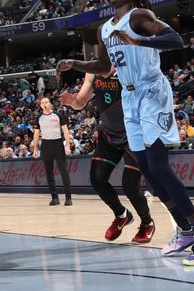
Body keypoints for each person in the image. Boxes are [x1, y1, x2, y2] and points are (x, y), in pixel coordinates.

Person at [57, 0, 194, 266]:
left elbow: (175, 40)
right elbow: (105, 68)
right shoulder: (104, 29)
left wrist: (140, 40)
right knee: (147, 169)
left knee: (158, 165)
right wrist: (76, 64)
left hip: (151, 91)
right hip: (129, 97)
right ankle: (184, 231)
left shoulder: (139, 16)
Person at [60, 68, 155, 243]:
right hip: (110, 134)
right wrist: (72, 102)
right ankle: (121, 214)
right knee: (97, 179)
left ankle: (147, 222)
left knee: (130, 185)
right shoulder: (92, 71)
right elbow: (80, 102)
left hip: (134, 133)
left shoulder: (128, 66)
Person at [30, 97, 72, 206]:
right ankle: (55, 198)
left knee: (63, 171)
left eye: (46, 102)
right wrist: (35, 148)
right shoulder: (39, 118)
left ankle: (68, 198)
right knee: (49, 173)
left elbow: (65, 131)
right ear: (40, 105)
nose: (45, 104)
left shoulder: (58, 115)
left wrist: (67, 145)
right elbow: (36, 134)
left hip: (58, 144)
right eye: (42, 103)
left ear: (50, 103)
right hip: (46, 145)